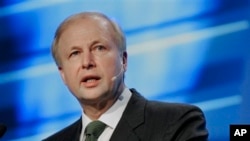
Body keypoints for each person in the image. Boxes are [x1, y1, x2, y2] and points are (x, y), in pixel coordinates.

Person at [43, 11, 208, 141]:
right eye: (75, 53)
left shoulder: (176, 122)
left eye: (99, 48)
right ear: (63, 74)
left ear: (123, 60)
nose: (87, 62)